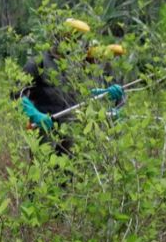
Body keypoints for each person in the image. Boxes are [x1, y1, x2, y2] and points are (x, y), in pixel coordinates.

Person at [18, 18, 124, 157]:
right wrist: (34, 114)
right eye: (70, 38)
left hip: (70, 131)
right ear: (58, 36)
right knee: (44, 175)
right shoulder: (38, 62)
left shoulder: (73, 67)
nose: (73, 43)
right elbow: (17, 94)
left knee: (68, 174)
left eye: (77, 39)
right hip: (44, 131)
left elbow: (81, 94)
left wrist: (104, 93)